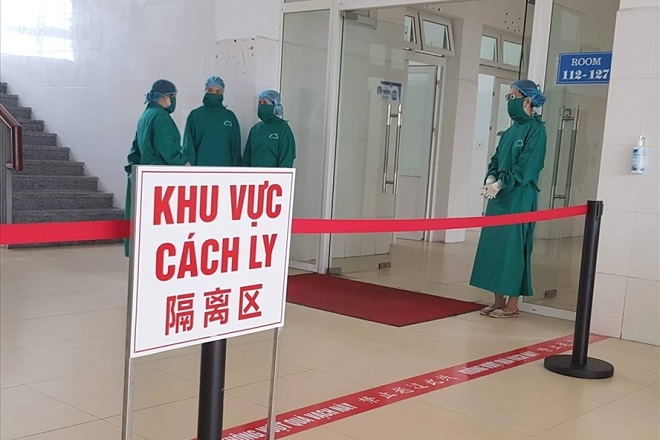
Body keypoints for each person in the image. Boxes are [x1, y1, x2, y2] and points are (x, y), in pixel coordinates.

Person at [469, 79, 547, 318]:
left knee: (513, 249)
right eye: (508, 97)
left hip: (519, 196)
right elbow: (496, 159)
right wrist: (491, 178)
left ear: (527, 100)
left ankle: (512, 304)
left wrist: (503, 183)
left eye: (512, 97)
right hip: (499, 197)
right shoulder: (510, 132)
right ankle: (497, 300)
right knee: (494, 247)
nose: (509, 101)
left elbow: (528, 165)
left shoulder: (536, 130)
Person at [124, 79, 189, 256]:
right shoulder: (161, 117)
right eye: (173, 97)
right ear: (166, 97)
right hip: (159, 178)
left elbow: (135, 150)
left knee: (143, 223)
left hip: (144, 175)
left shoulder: (145, 116)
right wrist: (183, 163)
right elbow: (167, 148)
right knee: (159, 224)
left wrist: (132, 172)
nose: (174, 101)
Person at [182, 75, 241, 166]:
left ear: (222, 93)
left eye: (218, 91)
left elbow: (235, 149)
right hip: (201, 169)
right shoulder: (195, 116)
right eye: (210, 91)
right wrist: (189, 168)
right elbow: (188, 146)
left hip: (225, 169)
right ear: (205, 91)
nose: (214, 94)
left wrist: (236, 169)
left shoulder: (230, 117)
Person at [242, 90, 296, 168]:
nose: (261, 105)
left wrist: (281, 175)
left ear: (275, 106)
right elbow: (246, 158)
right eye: (260, 103)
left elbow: (287, 159)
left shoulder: (283, 129)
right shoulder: (255, 129)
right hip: (254, 174)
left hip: (273, 175)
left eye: (265, 103)